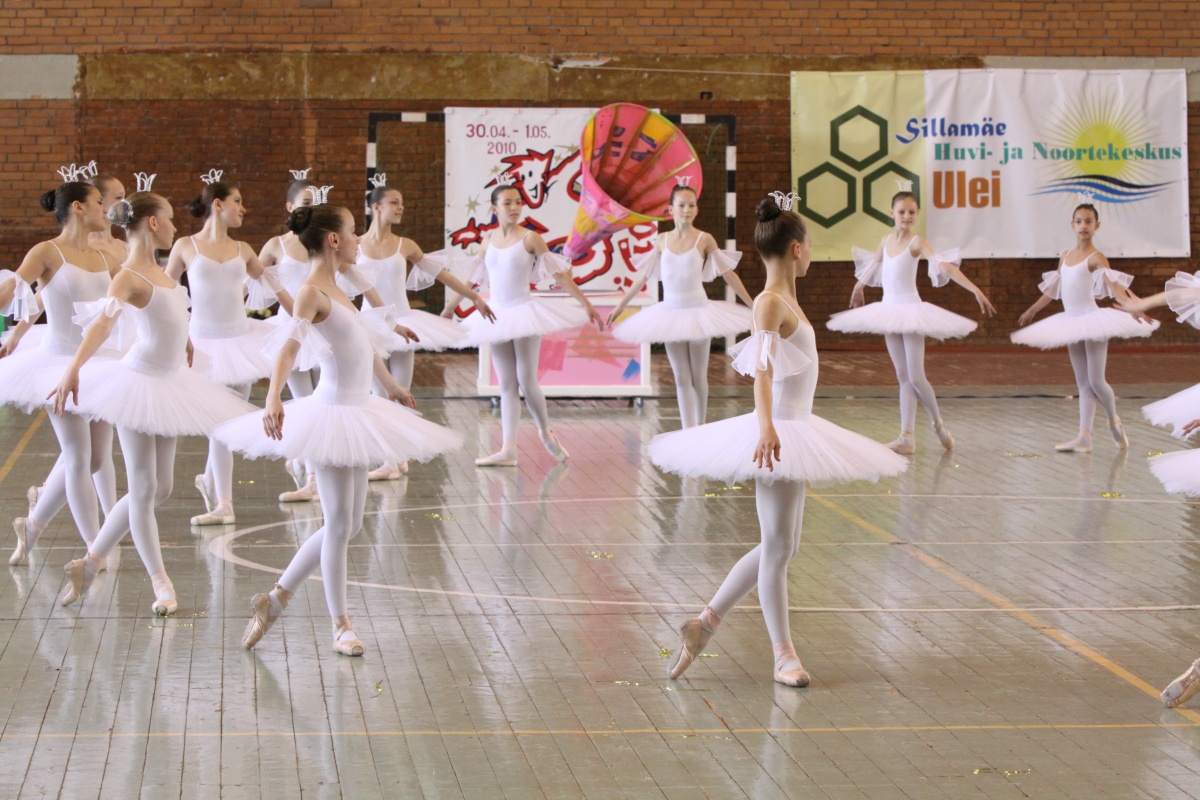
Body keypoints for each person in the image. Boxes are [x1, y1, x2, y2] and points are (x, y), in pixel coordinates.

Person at [649, 194, 907, 687]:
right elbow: (762, 373)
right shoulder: (769, 302)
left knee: (782, 545)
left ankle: (704, 625)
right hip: (778, 432)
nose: (812, 254)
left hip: (793, 427)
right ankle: (782, 655)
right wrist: (767, 426)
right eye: (811, 245)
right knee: (778, 546)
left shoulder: (786, 302)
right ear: (796, 249)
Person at [213, 203, 463, 656]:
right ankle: (340, 624)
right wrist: (273, 396)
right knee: (337, 525)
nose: (357, 240)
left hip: (359, 409)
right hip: (330, 415)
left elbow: (363, 347)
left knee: (348, 525)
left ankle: (275, 599)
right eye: (352, 231)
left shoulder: (340, 288)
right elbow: (289, 349)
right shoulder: (311, 291)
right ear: (333, 240)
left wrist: (390, 386)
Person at [52, 191, 257, 615]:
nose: (175, 226)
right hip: (138, 385)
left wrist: (185, 341)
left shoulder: (163, 273)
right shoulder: (128, 275)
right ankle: (161, 583)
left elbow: (173, 316)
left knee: (161, 488)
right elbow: (102, 326)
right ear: (151, 223)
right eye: (169, 218)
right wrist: (73, 369)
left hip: (171, 383)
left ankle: (89, 562)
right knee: (144, 489)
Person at [0, 181, 121, 566]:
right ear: (78, 208)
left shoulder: (105, 256)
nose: (105, 208)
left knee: (96, 460)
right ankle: (94, 550)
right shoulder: (46, 251)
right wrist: (14, 331)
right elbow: (21, 292)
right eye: (99, 202)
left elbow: (132, 296)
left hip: (99, 364)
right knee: (78, 457)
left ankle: (32, 525)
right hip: (58, 364)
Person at [445, 184, 604, 467]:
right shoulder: (487, 241)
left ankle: (545, 431)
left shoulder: (531, 239)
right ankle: (509, 448)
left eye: (518, 202)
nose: (515, 208)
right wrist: (448, 309)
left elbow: (560, 275)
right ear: (494, 209)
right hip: (496, 314)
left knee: (527, 380)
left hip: (523, 311)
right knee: (506, 383)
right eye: (507, 203)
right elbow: (470, 281)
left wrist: (586, 303)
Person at [828, 189, 996, 454]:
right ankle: (906, 437)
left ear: (917, 214)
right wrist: (858, 286)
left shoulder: (917, 242)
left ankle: (938, 424)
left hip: (910, 309)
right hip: (888, 310)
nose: (906, 216)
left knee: (916, 376)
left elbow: (943, 265)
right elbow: (874, 265)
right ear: (892, 213)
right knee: (902, 376)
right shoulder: (885, 241)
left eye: (911, 212)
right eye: (901, 211)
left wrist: (974, 289)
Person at [354, 179, 494, 479]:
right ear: (376, 207)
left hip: (405, 323)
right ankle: (391, 460)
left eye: (402, 203)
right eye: (394, 202)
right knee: (378, 393)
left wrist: (474, 297)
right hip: (370, 324)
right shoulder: (355, 246)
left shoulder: (405, 245)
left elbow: (443, 275)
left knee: (401, 393)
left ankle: (395, 457)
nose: (401, 207)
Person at [166, 178, 277, 525]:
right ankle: (224, 502)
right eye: (237, 201)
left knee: (230, 423)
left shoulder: (244, 249)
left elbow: (272, 284)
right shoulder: (185, 246)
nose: (243, 208)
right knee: (220, 424)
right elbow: (166, 292)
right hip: (202, 344)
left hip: (240, 342)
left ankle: (212, 482)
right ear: (217, 204)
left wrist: (302, 319)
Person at [1013, 202, 1157, 452]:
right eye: (1079, 221)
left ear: (1096, 226)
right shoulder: (1065, 255)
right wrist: (1033, 309)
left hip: (1092, 320)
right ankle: (1084, 437)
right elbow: (1054, 288)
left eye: (1089, 221)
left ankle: (1113, 420)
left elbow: (1115, 287)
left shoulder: (1096, 257)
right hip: (1071, 321)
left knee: (1096, 381)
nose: (1083, 226)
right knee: (1083, 384)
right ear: (1072, 225)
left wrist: (1134, 307)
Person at [607, 184, 753, 429]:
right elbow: (643, 277)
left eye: (691, 205)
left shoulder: (704, 239)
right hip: (670, 313)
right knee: (681, 376)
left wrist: (752, 304)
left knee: (698, 374)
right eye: (682, 205)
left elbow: (729, 275)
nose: (687, 210)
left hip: (699, 312)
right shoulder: (661, 240)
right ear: (670, 209)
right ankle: (688, 430)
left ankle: (700, 425)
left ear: (697, 209)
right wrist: (621, 305)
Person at [258, 176, 320, 501]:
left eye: (316, 203)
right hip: (290, 333)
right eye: (306, 203)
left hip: (321, 330)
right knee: (303, 402)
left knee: (323, 401)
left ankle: (313, 468)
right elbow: (250, 279)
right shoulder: (275, 245)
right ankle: (311, 476)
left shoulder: (322, 241)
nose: (312, 209)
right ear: (290, 207)